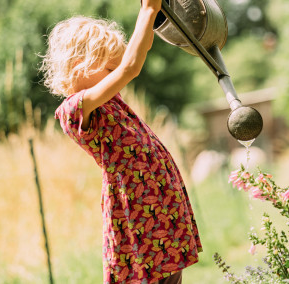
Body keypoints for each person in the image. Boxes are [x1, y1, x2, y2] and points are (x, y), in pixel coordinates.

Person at [39, 1, 202, 283]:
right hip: (138, 217)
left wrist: (153, 14)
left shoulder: (111, 102)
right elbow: (130, 67)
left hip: (159, 209)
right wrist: (148, 10)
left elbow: (137, 55)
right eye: (109, 67)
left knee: (170, 273)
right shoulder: (75, 110)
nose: (117, 73)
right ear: (79, 67)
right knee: (146, 277)